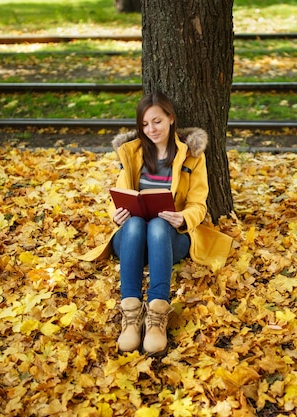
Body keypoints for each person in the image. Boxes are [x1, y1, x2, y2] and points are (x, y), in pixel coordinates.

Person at [87, 91, 232, 356]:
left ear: (171, 120)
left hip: (169, 238)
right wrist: (116, 213)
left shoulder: (191, 156)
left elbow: (199, 204)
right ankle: (131, 315)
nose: (151, 129)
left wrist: (183, 217)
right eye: (144, 124)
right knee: (133, 225)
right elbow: (118, 196)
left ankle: (156, 315)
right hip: (132, 239)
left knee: (157, 225)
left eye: (157, 121)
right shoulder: (132, 153)